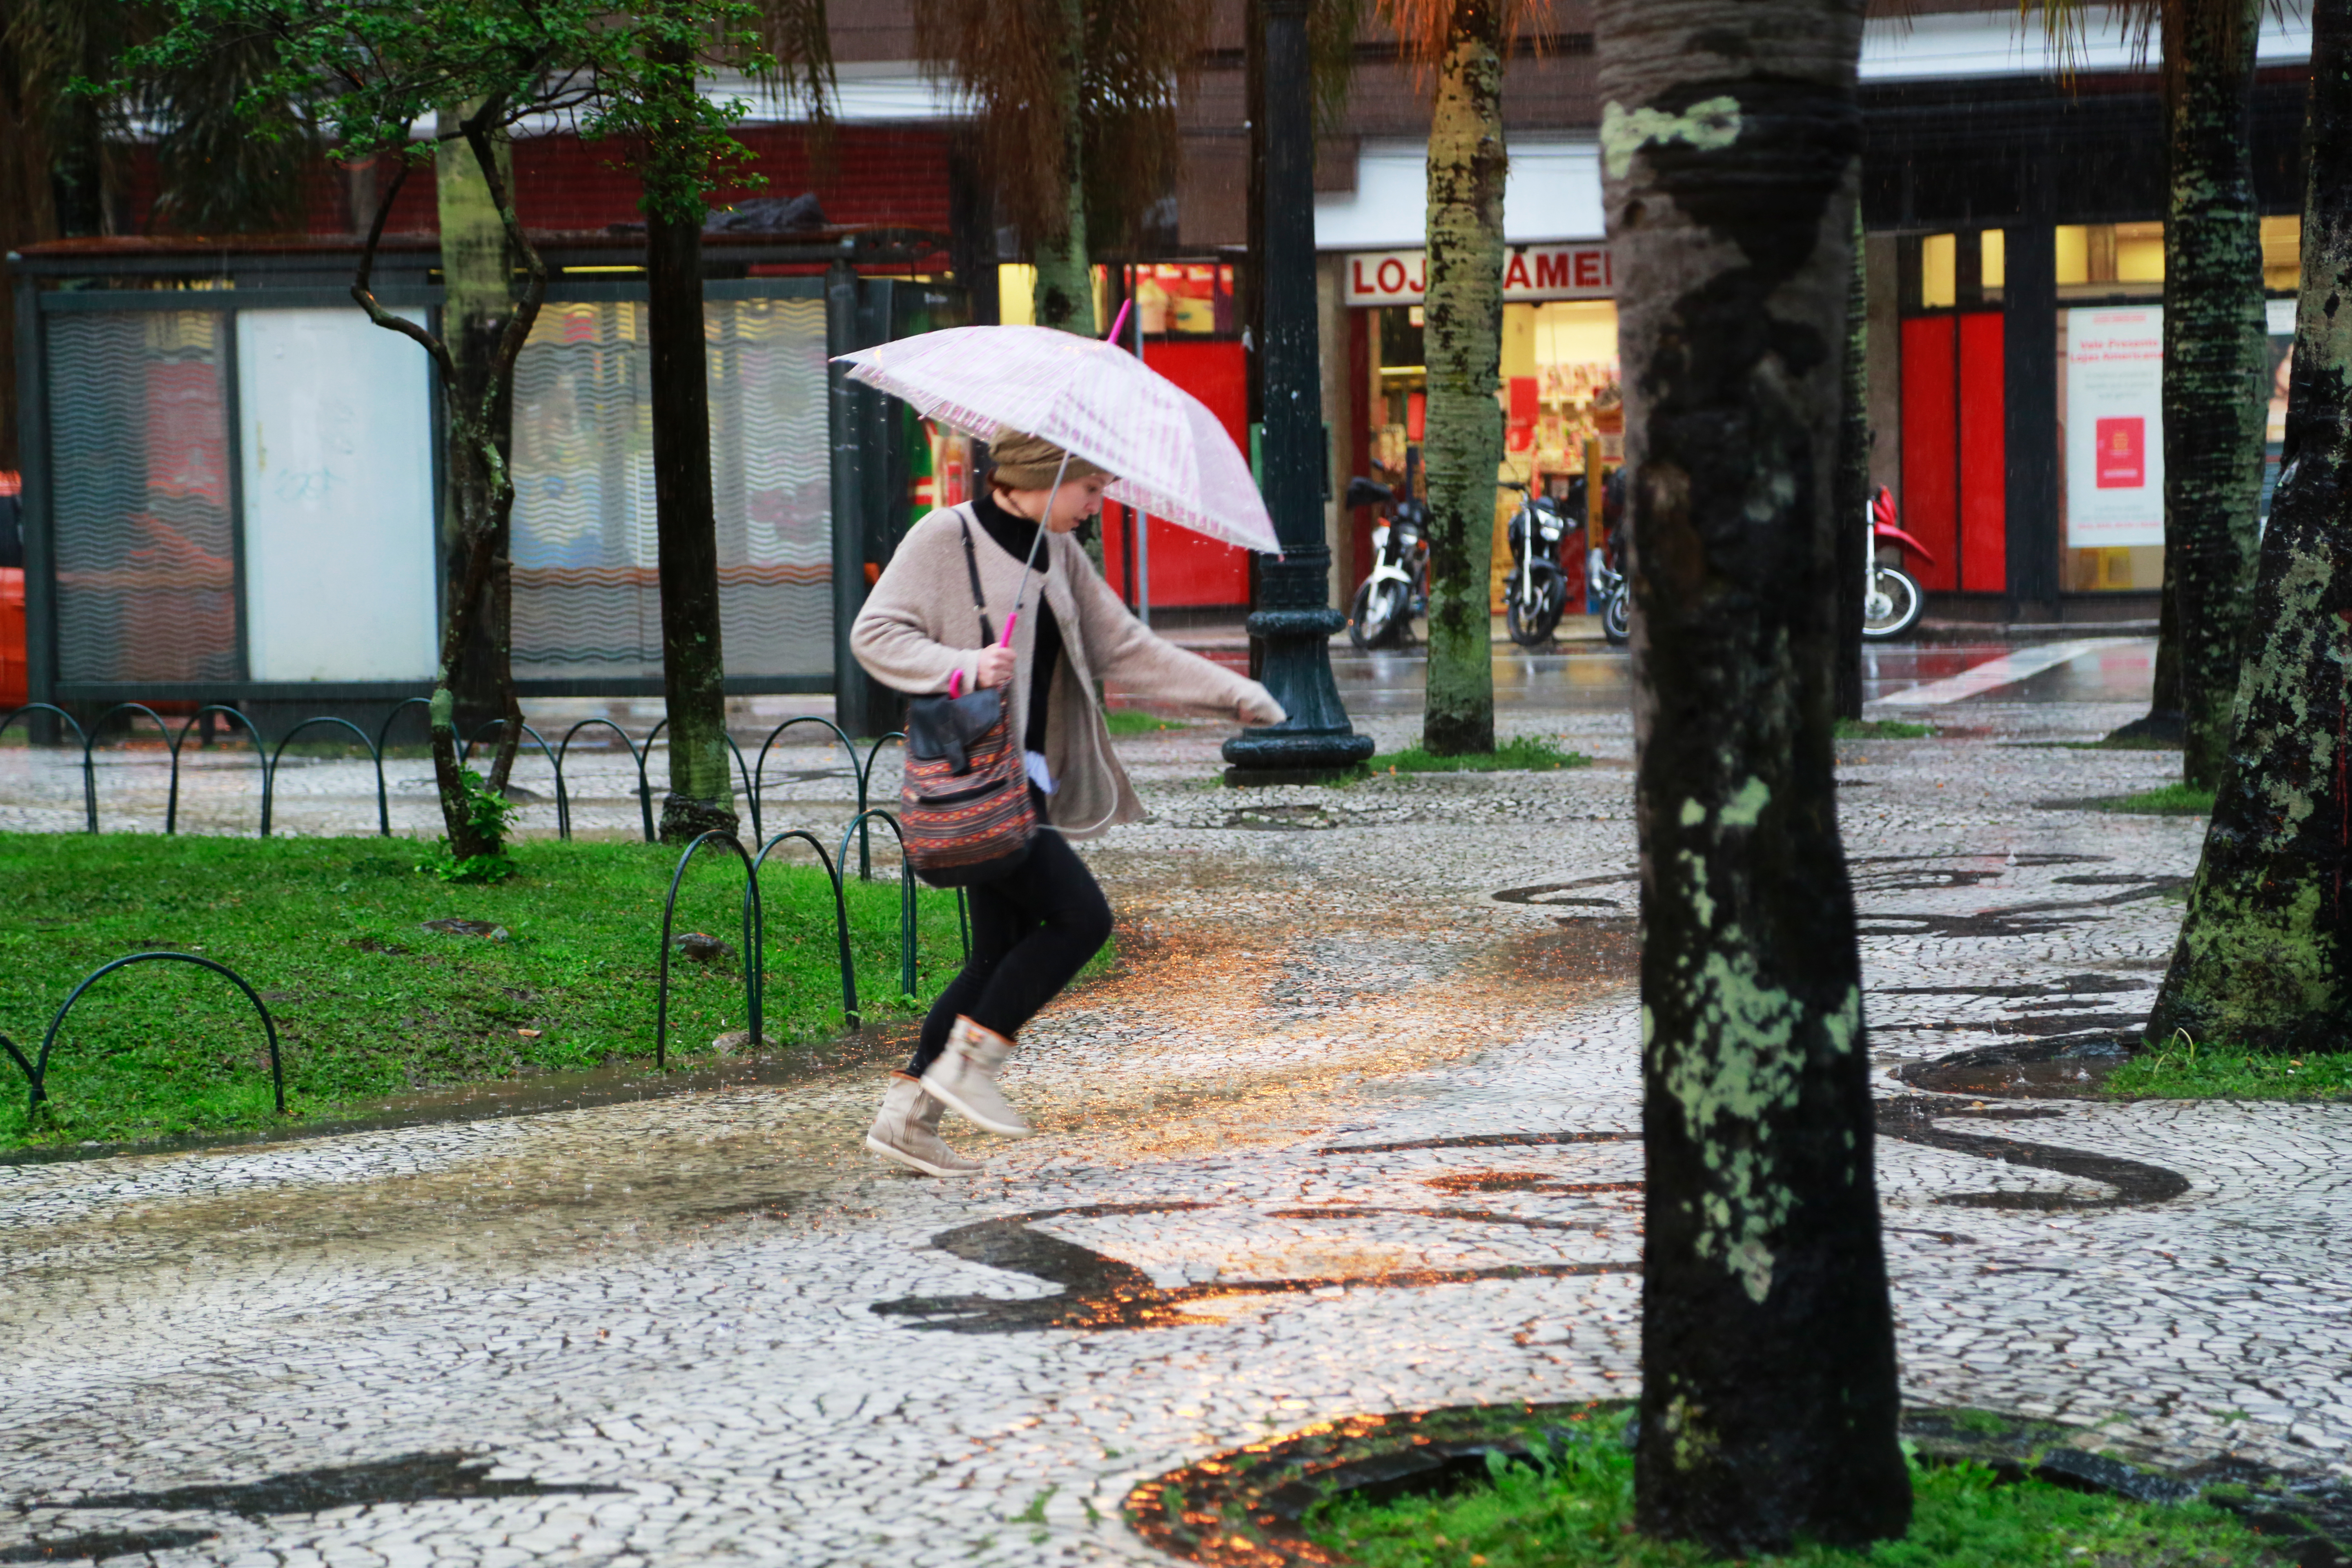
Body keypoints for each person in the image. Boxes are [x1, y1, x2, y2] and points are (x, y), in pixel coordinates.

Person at [850, 431, 1286, 1176]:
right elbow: (874, 634)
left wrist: (1234, 694)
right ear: (1039, 481)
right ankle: (968, 1067)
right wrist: (963, 666)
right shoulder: (944, 535)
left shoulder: (1058, 551)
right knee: (1082, 919)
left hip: (1031, 785)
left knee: (995, 952)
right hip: (978, 783)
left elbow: (1127, 648)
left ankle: (906, 1119)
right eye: (1090, 488)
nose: (1098, 504)